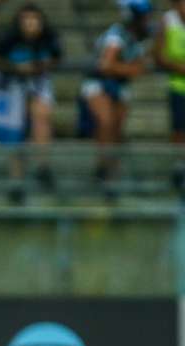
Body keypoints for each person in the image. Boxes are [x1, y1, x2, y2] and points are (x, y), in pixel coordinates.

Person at [0, 2, 62, 204]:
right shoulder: (9, 40)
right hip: (10, 86)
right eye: (26, 20)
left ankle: (43, 166)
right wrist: (16, 68)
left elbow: (56, 58)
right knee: (14, 134)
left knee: (42, 117)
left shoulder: (49, 39)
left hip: (37, 84)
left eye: (34, 20)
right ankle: (16, 180)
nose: (31, 24)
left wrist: (40, 66)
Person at [78, 0, 153, 200]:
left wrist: (132, 69)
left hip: (120, 86)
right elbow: (106, 65)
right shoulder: (116, 35)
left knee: (117, 129)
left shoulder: (142, 36)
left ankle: (112, 174)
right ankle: (103, 169)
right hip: (98, 83)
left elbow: (141, 63)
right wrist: (131, 69)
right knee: (106, 122)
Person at [155, 0, 185, 189]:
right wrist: (178, 67)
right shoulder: (168, 22)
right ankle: (179, 167)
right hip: (178, 86)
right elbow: (159, 56)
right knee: (180, 129)